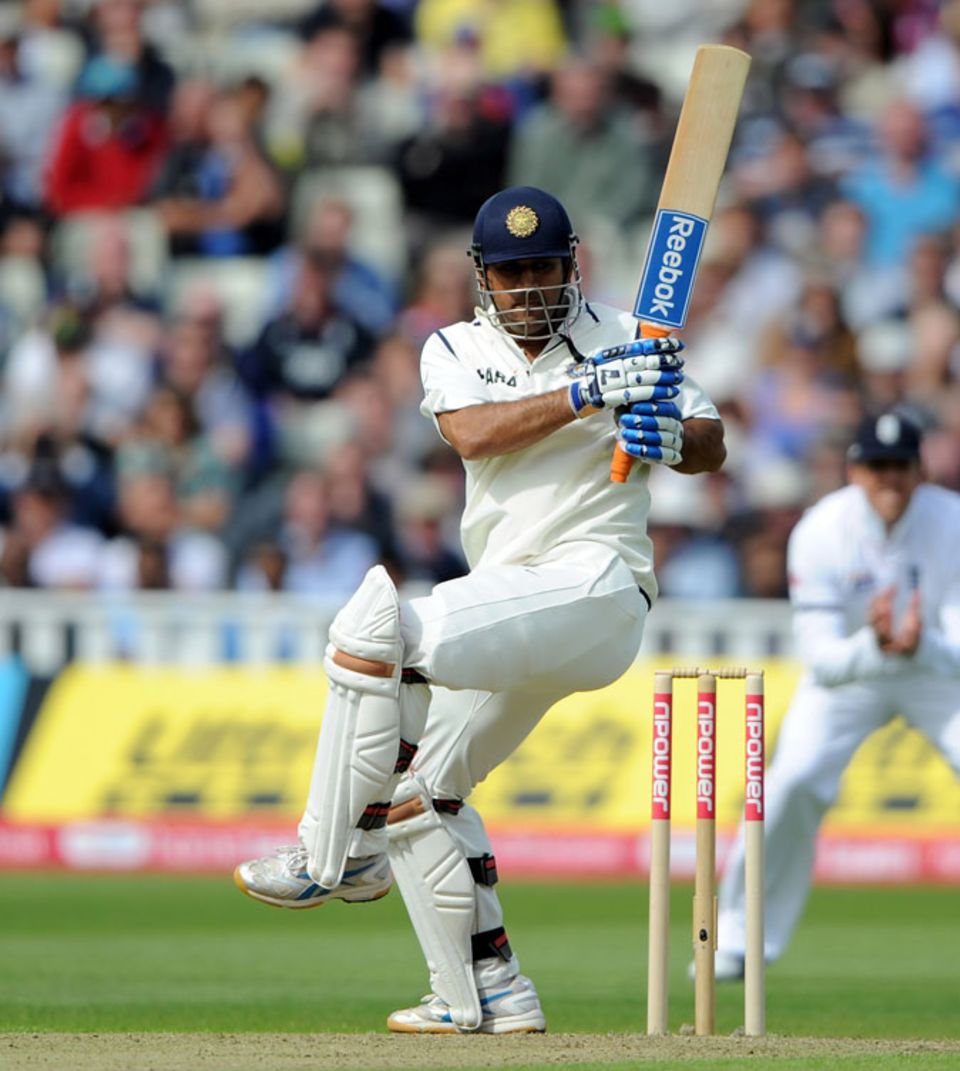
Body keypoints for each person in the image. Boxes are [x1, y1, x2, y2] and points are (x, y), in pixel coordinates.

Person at [233, 186, 725, 1033]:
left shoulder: (631, 335)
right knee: (421, 789)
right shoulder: (452, 346)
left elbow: (712, 440)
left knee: (372, 626)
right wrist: (587, 393)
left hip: (598, 585)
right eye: (511, 272)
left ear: (571, 266)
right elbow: (473, 434)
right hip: (511, 600)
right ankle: (487, 990)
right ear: (482, 277)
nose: (528, 287)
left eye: (542, 268)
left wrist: (674, 439)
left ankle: (330, 852)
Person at [710, 410, 960, 994]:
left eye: (901, 466)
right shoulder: (820, 530)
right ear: (854, 471)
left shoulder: (955, 521)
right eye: (878, 467)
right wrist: (874, 645)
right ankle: (738, 938)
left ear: (921, 470)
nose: (890, 479)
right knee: (791, 782)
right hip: (853, 674)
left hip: (935, 671)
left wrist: (924, 645)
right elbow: (821, 659)